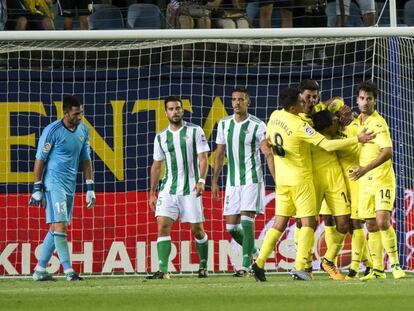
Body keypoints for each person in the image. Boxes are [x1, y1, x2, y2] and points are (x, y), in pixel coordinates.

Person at [251, 87, 374, 282]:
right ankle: (301, 267)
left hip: (285, 180)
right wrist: (356, 139)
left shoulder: (275, 115)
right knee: (308, 222)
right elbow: (326, 144)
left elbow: (268, 141)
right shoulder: (300, 125)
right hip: (302, 180)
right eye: (302, 101)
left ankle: (259, 263)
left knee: (280, 223)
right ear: (293, 106)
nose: (306, 103)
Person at [29, 95, 95, 281]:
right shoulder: (52, 131)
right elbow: (40, 159)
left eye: (81, 112)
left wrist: (90, 187)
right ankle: (68, 271)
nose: (80, 116)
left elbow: (85, 158)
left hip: (70, 185)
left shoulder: (83, 129)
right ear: (65, 113)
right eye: (76, 113)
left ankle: (40, 270)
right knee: (61, 226)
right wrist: (37, 186)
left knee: (57, 228)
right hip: (53, 184)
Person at [211, 88, 275, 277]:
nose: (237, 103)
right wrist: (214, 181)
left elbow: (267, 152)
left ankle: (245, 267)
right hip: (232, 182)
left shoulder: (258, 125)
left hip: (252, 180)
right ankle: (256, 253)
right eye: (234, 99)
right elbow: (220, 153)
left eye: (241, 99)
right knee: (231, 228)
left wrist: (277, 179)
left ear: (248, 102)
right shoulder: (223, 124)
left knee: (247, 221)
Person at [148, 96, 210, 279]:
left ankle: (203, 266)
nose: (175, 112)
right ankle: (163, 270)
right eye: (171, 109)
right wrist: (152, 192)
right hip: (168, 189)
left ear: (183, 110)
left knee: (197, 230)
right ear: (166, 112)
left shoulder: (195, 131)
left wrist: (201, 180)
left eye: (178, 108)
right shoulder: (160, 137)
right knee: (162, 226)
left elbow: (203, 158)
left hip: (191, 188)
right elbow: (157, 165)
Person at [350, 81, 406, 280]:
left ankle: (396, 265)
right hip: (365, 183)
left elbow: (388, 152)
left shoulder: (377, 122)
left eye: (370, 99)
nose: (366, 102)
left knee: (383, 221)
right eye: (363, 98)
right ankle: (377, 269)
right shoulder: (356, 123)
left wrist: (365, 168)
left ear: (375, 101)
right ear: (357, 100)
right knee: (371, 225)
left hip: (382, 179)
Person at [324, 97, 373, 280]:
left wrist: (351, 115)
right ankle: (364, 264)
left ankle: (355, 268)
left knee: (356, 223)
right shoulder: (332, 129)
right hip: (337, 180)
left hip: (355, 178)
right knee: (334, 221)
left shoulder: (357, 127)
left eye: (344, 113)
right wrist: (334, 110)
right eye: (338, 114)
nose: (341, 116)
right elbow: (329, 103)